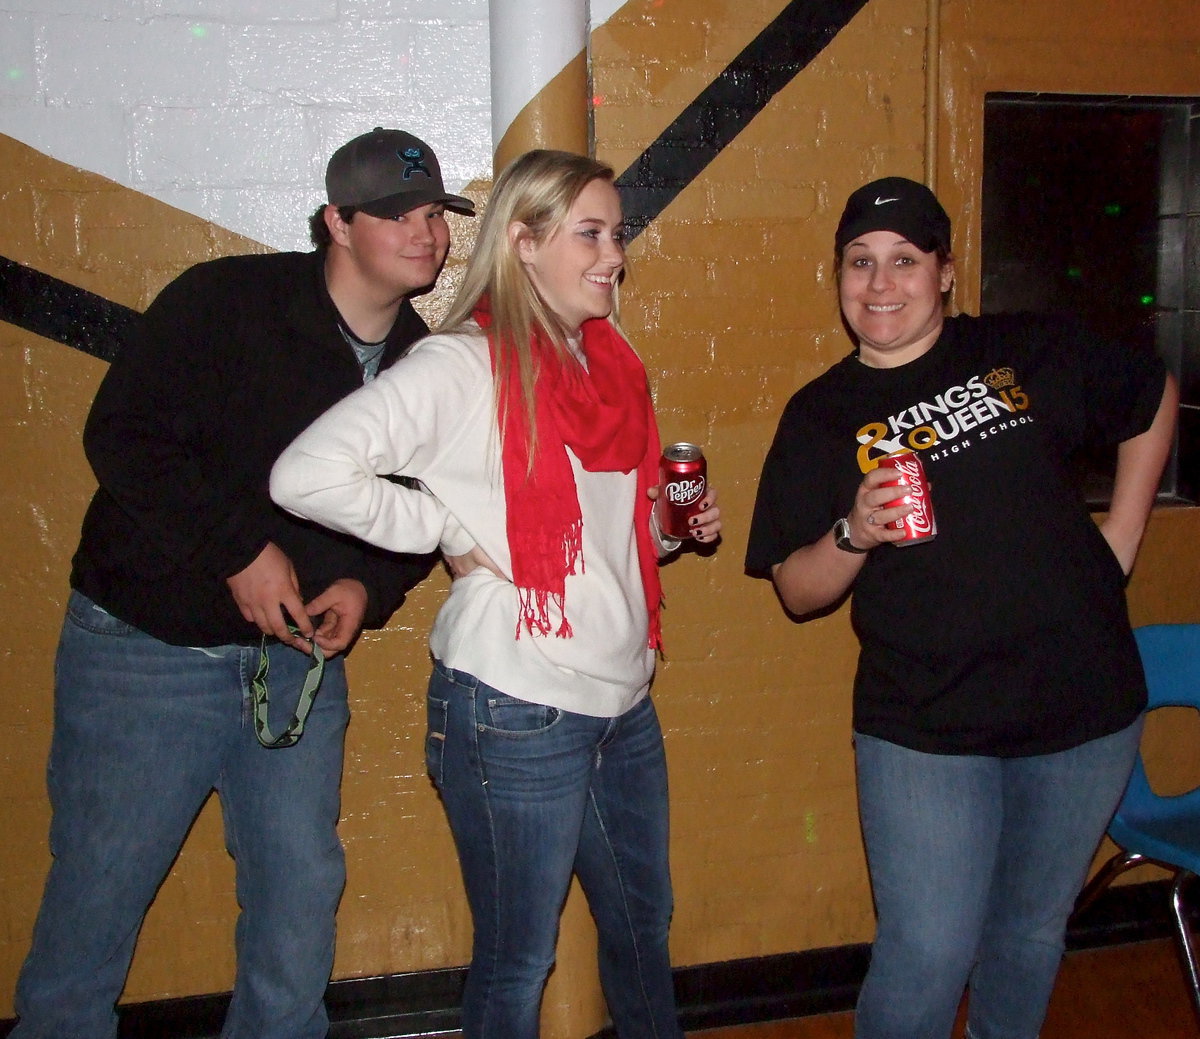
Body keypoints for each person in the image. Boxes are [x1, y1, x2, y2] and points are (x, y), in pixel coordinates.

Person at [11, 127, 474, 1039]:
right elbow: (123, 436)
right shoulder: (225, 301)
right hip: (142, 649)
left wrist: (365, 591)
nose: (424, 232)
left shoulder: (428, 362)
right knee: (99, 889)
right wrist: (237, 550)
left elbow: (417, 515)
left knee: (300, 891)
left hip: (294, 660)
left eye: (432, 213)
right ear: (336, 221)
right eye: (394, 213)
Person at [270, 148, 722, 1038]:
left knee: (642, 926)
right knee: (520, 960)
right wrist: (440, 525)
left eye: (616, 233)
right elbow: (305, 473)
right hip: (516, 708)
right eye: (588, 233)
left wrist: (668, 528)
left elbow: (609, 535)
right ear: (522, 241)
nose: (613, 254)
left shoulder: (610, 357)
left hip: (624, 698)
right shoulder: (462, 365)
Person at [745, 176, 1177, 1039]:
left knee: (1025, 935)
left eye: (905, 260)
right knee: (928, 949)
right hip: (925, 724)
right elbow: (796, 589)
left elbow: (1150, 390)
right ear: (837, 275)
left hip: (1081, 707)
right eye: (860, 262)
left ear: (944, 271)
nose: (880, 283)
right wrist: (854, 531)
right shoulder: (821, 415)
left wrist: (1120, 537)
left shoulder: (1022, 349)